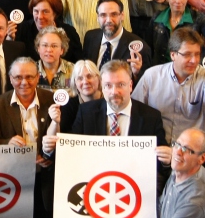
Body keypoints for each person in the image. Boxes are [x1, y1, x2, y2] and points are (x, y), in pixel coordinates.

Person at [43, 60, 169, 193]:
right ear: (102, 87)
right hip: (94, 187)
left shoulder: (150, 116)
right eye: (108, 85)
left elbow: (161, 162)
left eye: (121, 85)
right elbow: (71, 152)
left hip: (135, 190)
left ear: (130, 85)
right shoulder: (86, 112)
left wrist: (167, 160)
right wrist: (49, 149)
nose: (114, 91)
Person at [0, 57, 55, 218]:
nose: (24, 82)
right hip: (13, 179)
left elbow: (63, 136)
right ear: (10, 78)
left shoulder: (51, 100)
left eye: (29, 77)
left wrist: (51, 157)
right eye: (18, 77)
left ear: (38, 77)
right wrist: (7, 142)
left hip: (45, 179)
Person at [132, 28, 205, 144]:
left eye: (197, 54)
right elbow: (134, 109)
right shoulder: (152, 75)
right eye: (187, 54)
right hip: (157, 147)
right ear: (173, 55)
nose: (194, 60)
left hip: (190, 151)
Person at [140, 128, 205, 218]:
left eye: (186, 149)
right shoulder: (182, 169)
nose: (177, 152)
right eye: (177, 144)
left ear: (202, 158)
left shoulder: (196, 200)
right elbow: (162, 205)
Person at [82, 0, 150, 80]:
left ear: (122, 16)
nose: (109, 20)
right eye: (103, 15)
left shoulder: (139, 47)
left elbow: (145, 85)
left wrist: (136, 74)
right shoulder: (90, 37)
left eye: (113, 14)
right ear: (97, 17)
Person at [9, 0, 82, 63]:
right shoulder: (22, 29)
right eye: (36, 11)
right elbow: (13, 61)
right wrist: (10, 40)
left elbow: (78, 63)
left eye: (45, 12)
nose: (40, 16)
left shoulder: (69, 32)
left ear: (55, 13)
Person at [35, 26, 74, 90]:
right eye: (45, 45)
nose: (49, 50)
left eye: (54, 46)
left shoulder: (74, 70)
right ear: (38, 48)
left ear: (62, 50)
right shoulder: (29, 71)